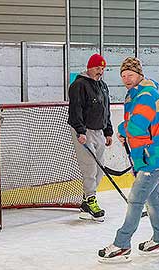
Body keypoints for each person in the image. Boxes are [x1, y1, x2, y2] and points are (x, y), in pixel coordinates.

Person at [98, 57, 159, 262]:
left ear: (139, 74)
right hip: (152, 156)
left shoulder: (147, 95)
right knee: (152, 198)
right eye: (123, 76)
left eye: (130, 75)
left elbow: (136, 126)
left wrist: (123, 129)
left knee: (136, 198)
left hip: (155, 157)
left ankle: (122, 244)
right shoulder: (134, 95)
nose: (126, 79)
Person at [68, 53, 113, 222]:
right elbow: (75, 110)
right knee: (89, 167)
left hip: (99, 131)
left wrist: (108, 131)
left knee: (100, 168)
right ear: (89, 67)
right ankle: (91, 200)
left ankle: (86, 201)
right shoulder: (79, 85)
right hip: (84, 132)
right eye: (97, 68)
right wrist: (80, 131)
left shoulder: (103, 86)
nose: (100, 71)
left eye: (102, 69)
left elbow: (106, 110)